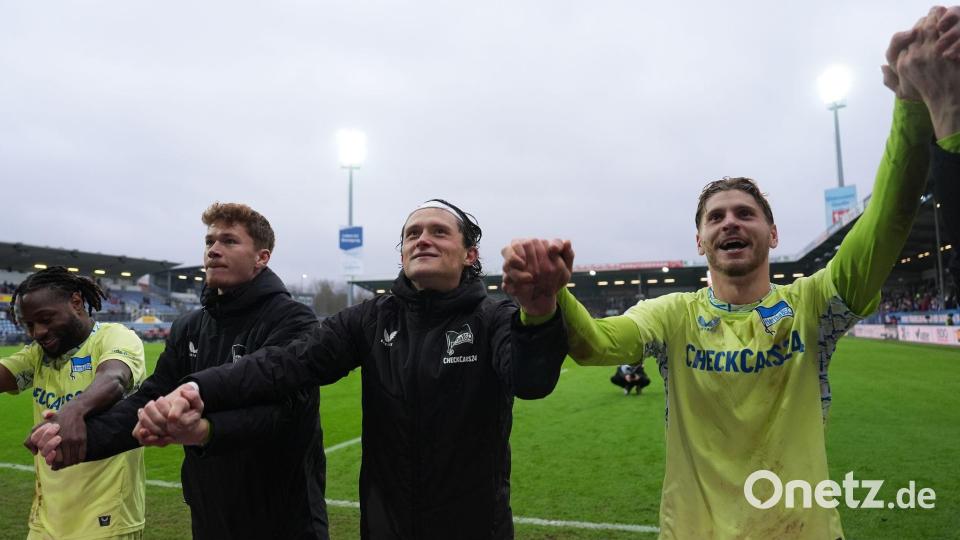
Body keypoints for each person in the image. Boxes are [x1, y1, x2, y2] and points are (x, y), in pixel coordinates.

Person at [501, 8, 960, 539]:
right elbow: (597, 345)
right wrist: (554, 295)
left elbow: (888, 221)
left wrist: (910, 102)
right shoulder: (673, 315)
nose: (730, 223)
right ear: (700, 241)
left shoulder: (815, 305)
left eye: (745, 213)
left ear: (773, 234)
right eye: (715, 217)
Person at [129, 199, 568, 539]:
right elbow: (289, 362)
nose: (422, 239)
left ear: (470, 254)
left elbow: (531, 381)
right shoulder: (372, 318)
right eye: (412, 234)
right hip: (385, 527)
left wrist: (539, 312)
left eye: (439, 231)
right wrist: (198, 389)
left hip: (474, 526)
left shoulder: (493, 318)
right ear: (402, 254)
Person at [31, 203, 329, 539]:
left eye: (229, 241)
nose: (213, 250)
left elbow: (283, 413)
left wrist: (205, 430)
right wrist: (79, 439)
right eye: (209, 241)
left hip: (284, 517)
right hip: (210, 513)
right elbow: (149, 398)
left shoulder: (293, 320)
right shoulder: (190, 327)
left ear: (262, 257)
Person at [0, 266, 146, 539]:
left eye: (45, 319)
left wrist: (73, 410)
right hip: (45, 521)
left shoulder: (114, 336)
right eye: (29, 325)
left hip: (105, 519)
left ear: (76, 302)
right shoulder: (37, 355)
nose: (37, 332)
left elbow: (115, 378)